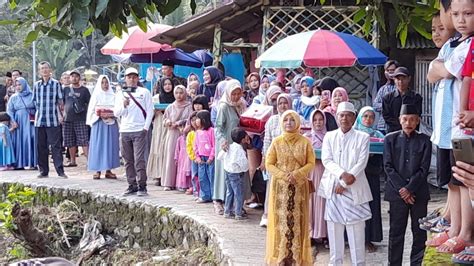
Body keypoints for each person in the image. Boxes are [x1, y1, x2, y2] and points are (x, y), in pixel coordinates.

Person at [426, 0, 474, 254]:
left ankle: (465, 232)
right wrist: (439, 68)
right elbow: (432, 72)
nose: (460, 20)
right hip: (445, 130)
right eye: (455, 14)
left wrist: (440, 68)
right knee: (453, 182)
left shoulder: (469, 45)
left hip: (461, 127)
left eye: (467, 14)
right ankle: (455, 228)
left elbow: (445, 70)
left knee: (464, 180)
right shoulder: (451, 44)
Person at [319, 102, 372, 265]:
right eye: (341, 115)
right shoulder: (329, 136)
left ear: (354, 118)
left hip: (354, 190)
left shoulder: (363, 137)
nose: (344, 118)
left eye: (348, 115)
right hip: (334, 190)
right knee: (334, 237)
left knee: (356, 236)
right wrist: (342, 176)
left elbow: (361, 162)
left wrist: (346, 182)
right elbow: (326, 159)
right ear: (336, 117)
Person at [264, 110, 315, 265]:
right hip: (280, 187)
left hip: (299, 187)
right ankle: (281, 256)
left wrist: (297, 174)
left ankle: (295, 257)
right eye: (285, 120)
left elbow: (311, 162)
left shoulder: (305, 142)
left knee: (297, 219)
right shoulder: (277, 142)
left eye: (292, 120)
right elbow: (269, 163)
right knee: (280, 220)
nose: (288, 123)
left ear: (297, 122)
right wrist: (283, 175)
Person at [384, 104, 431, 265]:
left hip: (419, 193)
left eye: (412, 119)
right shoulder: (390, 139)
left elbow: (424, 168)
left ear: (418, 121)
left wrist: (409, 189)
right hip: (396, 194)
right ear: (399, 120)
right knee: (396, 233)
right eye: (405, 119)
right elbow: (388, 167)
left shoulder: (425, 140)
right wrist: (402, 190)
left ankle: (417, 263)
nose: (408, 122)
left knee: (419, 233)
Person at [114, 67, 153, 196]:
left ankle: (142, 185)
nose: (132, 79)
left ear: (138, 78)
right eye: (129, 77)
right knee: (127, 159)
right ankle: (132, 184)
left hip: (139, 129)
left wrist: (145, 128)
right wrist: (123, 105)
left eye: (134, 77)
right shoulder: (120, 93)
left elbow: (150, 111)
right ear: (125, 79)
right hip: (125, 130)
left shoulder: (144, 92)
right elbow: (117, 113)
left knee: (139, 159)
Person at [260, 93, 293, 227]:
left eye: (285, 103)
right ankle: (268, 215)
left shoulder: (296, 119)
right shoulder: (272, 120)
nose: (283, 106)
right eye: (280, 103)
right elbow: (267, 141)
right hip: (275, 160)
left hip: (291, 161)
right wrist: (264, 158)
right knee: (272, 188)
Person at [354, 106, 385, 252]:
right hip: (356, 176)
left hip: (372, 175)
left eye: (371, 116)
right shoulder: (354, 134)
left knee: (371, 207)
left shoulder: (379, 135)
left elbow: (383, 156)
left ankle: (369, 239)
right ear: (360, 117)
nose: (368, 119)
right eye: (365, 116)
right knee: (357, 207)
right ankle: (356, 239)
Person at [215, 79, 247, 214]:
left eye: (238, 93)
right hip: (226, 144)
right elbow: (218, 127)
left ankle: (237, 205)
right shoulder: (224, 106)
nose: (236, 97)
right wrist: (222, 140)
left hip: (238, 145)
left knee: (239, 174)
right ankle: (221, 202)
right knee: (227, 175)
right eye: (233, 94)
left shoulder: (241, 105)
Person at [33, 61, 66, 178]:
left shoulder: (56, 84)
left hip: (53, 120)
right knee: (41, 147)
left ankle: (60, 171)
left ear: (50, 69)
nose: (45, 70)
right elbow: (35, 101)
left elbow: (60, 101)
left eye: (46, 68)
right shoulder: (36, 85)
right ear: (39, 71)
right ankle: (43, 171)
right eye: (42, 69)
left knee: (56, 147)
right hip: (40, 120)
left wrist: (61, 115)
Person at [86, 75, 120, 179]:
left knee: (110, 146)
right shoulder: (96, 95)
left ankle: (109, 170)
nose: (105, 85)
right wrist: (99, 114)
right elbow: (91, 110)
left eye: (106, 83)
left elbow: (118, 109)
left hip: (111, 123)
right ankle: (97, 170)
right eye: (103, 83)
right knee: (98, 146)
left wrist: (111, 113)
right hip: (99, 123)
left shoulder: (113, 95)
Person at [161, 85, 193, 190]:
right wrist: (168, 122)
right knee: (171, 157)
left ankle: (182, 183)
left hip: (184, 134)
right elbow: (164, 119)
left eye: (181, 93)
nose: (179, 95)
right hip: (172, 134)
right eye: (177, 93)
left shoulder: (189, 106)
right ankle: (168, 182)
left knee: (183, 158)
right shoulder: (170, 107)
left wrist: (180, 123)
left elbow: (191, 118)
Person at [147, 77, 175, 186]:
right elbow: (150, 113)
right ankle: (158, 175)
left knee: (169, 149)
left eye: (169, 84)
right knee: (158, 148)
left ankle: (169, 176)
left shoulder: (176, 97)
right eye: (165, 84)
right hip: (159, 125)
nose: (167, 86)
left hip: (171, 125)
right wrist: (156, 110)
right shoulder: (156, 98)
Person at [219, 127, 251, 220]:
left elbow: (220, 156)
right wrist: (245, 169)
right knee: (239, 193)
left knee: (229, 192)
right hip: (236, 174)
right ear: (243, 139)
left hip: (227, 172)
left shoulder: (229, 147)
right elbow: (244, 164)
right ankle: (238, 213)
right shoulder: (240, 150)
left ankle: (227, 211)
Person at [62, 70, 91, 167]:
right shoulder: (65, 90)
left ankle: (90, 162)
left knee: (84, 140)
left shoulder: (84, 90)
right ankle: (72, 161)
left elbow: (90, 104)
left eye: (76, 76)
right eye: (72, 76)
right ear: (69, 78)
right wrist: (62, 114)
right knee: (70, 141)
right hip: (68, 119)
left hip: (81, 119)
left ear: (79, 78)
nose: (74, 78)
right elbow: (61, 103)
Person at [6, 77, 36, 169]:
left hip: (30, 121)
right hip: (18, 122)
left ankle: (33, 163)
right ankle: (20, 163)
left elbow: (37, 107)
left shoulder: (32, 95)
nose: (18, 87)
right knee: (19, 141)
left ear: (24, 84)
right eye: (16, 85)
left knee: (32, 139)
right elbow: (10, 110)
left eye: (20, 84)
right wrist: (13, 121)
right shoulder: (14, 97)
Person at [382, 67, 423, 133]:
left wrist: (407, 125)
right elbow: (387, 117)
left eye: (403, 78)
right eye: (398, 79)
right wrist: (401, 125)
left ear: (409, 78)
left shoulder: (416, 97)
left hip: (412, 132)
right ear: (394, 79)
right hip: (393, 133)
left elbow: (417, 115)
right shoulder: (387, 98)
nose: (401, 82)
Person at [308, 109, 328, 242]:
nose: (318, 122)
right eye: (315, 120)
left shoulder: (330, 136)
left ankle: (324, 234)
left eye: (321, 119)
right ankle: (310, 233)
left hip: (326, 172)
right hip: (311, 172)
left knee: (323, 202)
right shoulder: (306, 137)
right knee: (311, 201)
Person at [194, 110, 216, 203]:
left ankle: (214, 196)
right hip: (201, 158)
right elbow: (195, 146)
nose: (196, 121)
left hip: (210, 159)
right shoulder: (197, 132)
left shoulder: (211, 131)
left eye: (198, 119)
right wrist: (197, 157)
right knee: (202, 177)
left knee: (212, 176)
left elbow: (214, 145)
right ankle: (205, 196)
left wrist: (211, 157)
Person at [373, 60, 400, 134]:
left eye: (392, 70)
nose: (390, 73)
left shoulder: (401, 88)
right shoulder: (383, 89)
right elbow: (375, 105)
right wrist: (386, 106)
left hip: (398, 125)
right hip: (382, 126)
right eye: (388, 70)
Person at [186, 112, 200, 198]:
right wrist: (193, 157)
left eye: (196, 120)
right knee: (195, 175)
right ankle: (196, 192)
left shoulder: (204, 132)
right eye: (192, 120)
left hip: (203, 158)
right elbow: (189, 147)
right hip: (194, 159)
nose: (194, 122)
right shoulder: (191, 134)